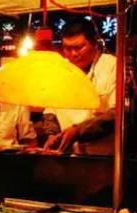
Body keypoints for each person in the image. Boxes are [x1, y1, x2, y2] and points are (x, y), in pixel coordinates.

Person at [43, 19, 116, 154]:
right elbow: (50, 111)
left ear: (95, 43)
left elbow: (116, 114)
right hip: (67, 153)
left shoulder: (112, 66)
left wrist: (79, 130)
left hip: (102, 154)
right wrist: (52, 134)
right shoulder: (61, 70)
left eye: (79, 47)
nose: (73, 54)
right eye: (67, 48)